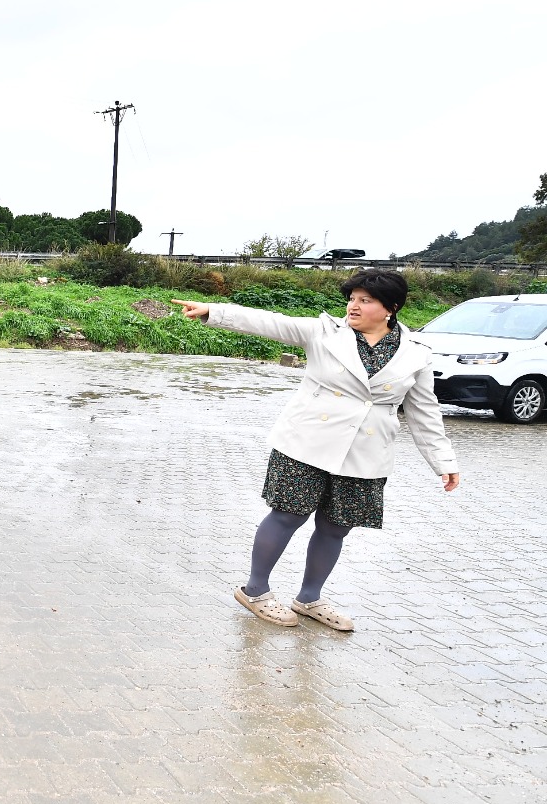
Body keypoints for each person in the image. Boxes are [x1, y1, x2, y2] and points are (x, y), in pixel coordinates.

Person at [172, 269, 459, 631]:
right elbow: (271, 322)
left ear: (391, 308)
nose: (353, 306)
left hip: (366, 451)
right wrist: (214, 311)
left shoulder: (416, 354)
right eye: (352, 299)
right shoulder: (324, 332)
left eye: (365, 300)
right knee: (287, 515)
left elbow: (424, 411)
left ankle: (309, 598)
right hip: (307, 442)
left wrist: (443, 461)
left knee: (336, 527)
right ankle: (255, 591)